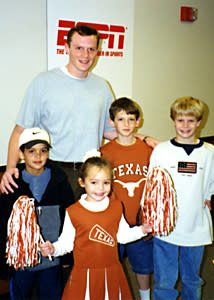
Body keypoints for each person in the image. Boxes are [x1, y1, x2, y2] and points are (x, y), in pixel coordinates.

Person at [0, 24, 158, 199]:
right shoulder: (43, 82)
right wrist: (10, 168)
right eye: (79, 48)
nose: (85, 55)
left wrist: (144, 139)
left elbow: (111, 131)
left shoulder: (102, 87)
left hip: (91, 173)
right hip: (53, 171)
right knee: (56, 226)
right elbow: (20, 131)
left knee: (88, 225)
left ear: (97, 51)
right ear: (67, 48)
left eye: (91, 49)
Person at [40, 155, 152, 300]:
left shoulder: (117, 206)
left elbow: (122, 236)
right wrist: (53, 249)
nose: (100, 188)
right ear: (82, 182)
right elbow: (66, 244)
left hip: (112, 271)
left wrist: (142, 230)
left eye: (106, 182)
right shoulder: (73, 211)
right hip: (84, 274)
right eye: (94, 182)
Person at [148, 96, 214, 300]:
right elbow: (152, 185)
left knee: (192, 278)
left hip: (196, 226)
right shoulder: (161, 151)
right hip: (166, 227)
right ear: (173, 121)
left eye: (191, 120)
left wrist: (209, 193)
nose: (185, 125)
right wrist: (151, 218)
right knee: (164, 280)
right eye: (180, 120)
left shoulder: (210, 153)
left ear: (199, 122)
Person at [0, 127, 74, 300]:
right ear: (21, 154)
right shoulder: (12, 183)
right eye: (31, 151)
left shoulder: (59, 179)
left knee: (51, 294)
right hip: (21, 261)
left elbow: (68, 218)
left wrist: (66, 256)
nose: (38, 156)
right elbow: (3, 221)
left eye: (43, 151)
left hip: (51, 257)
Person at [100, 97, 153, 300]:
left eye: (131, 119)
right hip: (114, 223)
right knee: (112, 265)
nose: (126, 124)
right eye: (121, 119)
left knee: (143, 266)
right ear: (112, 122)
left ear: (138, 121)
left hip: (140, 222)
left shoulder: (148, 151)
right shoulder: (105, 152)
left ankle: (145, 297)